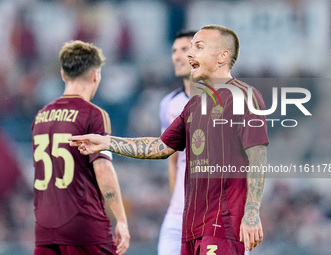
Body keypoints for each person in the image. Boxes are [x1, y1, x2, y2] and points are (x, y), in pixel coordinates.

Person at [69, 25, 269, 255]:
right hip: (192, 226)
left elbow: (258, 155)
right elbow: (160, 147)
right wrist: (106, 142)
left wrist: (252, 213)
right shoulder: (194, 105)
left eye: (199, 48)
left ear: (222, 56)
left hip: (221, 225)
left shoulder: (244, 97)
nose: (189, 55)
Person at [32, 40, 130, 255]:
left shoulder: (40, 117)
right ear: (96, 74)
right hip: (83, 226)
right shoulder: (93, 115)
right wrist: (121, 220)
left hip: (45, 227)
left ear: (63, 74)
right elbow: (102, 169)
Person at [158, 30, 196, 255]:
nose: (177, 56)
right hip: (179, 215)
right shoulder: (169, 104)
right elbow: (171, 160)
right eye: (174, 51)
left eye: (184, 49)